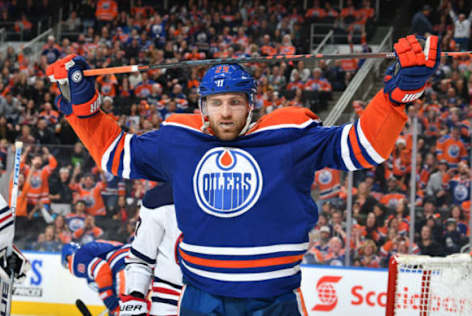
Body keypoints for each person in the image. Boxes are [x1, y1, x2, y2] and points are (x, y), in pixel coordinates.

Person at [48, 34, 440, 315]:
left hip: (275, 300)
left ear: (251, 105)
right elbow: (115, 154)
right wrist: (84, 106)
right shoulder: (179, 141)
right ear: (203, 107)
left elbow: (363, 148)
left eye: (235, 102)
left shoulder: (289, 136)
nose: (225, 113)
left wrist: (397, 95)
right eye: (216, 103)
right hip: (202, 298)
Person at [121, 183, 182, 316]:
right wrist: (135, 297)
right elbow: (141, 258)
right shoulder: (161, 198)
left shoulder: (235, 197)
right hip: (168, 304)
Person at [61, 240, 130, 314]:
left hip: (124, 266)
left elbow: (101, 269)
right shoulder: (93, 247)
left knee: (123, 311)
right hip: (135, 259)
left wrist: (107, 297)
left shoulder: (76, 258)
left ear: (67, 257)